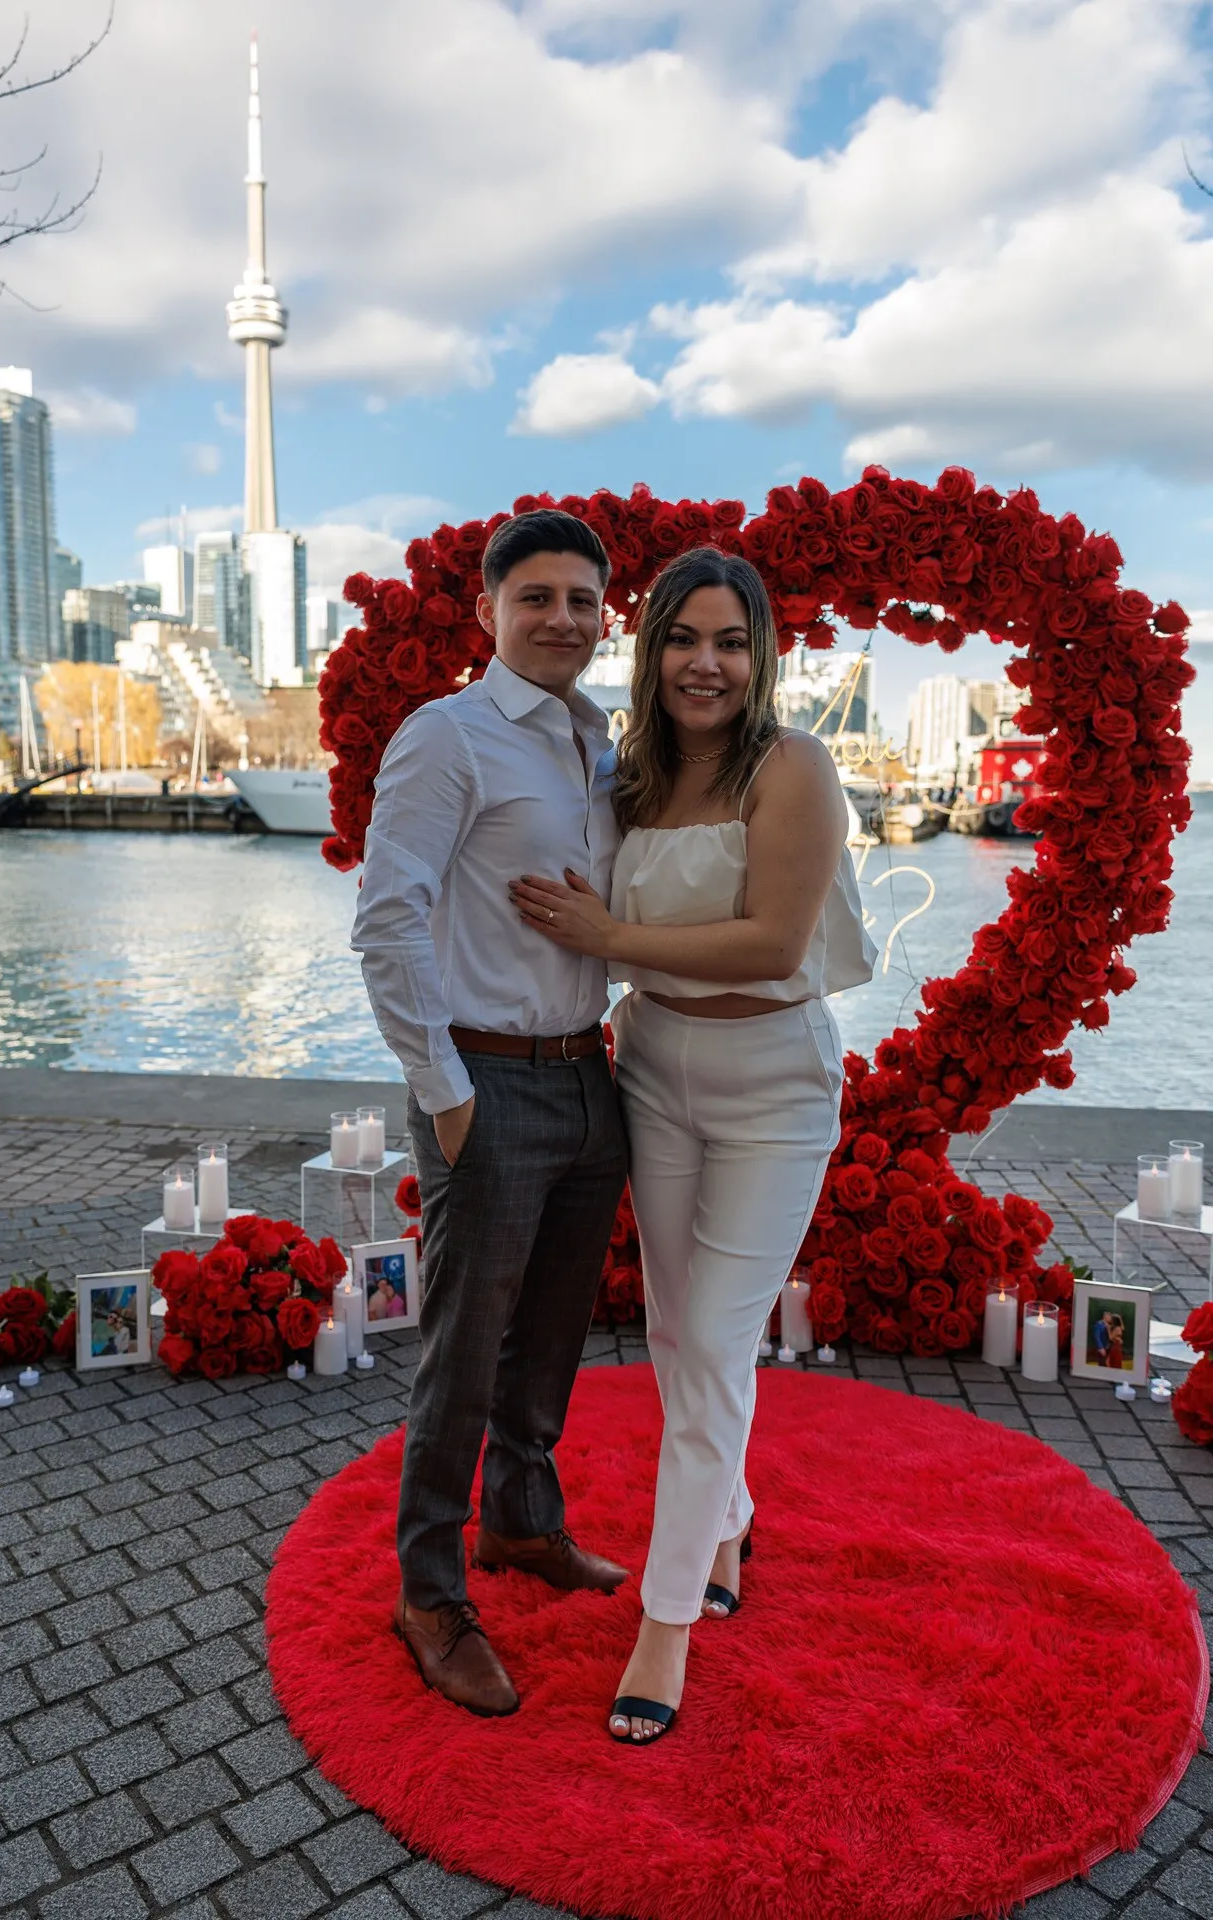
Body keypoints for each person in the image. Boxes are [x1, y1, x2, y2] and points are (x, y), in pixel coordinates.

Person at [510, 545, 876, 1745]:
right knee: (675, 1334)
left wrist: (608, 934)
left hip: (772, 1081)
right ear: (650, 648)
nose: (702, 664)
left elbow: (773, 943)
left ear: (757, 655)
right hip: (654, 1067)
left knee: (715, 1340)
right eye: (680, 639)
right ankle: (726, 1520)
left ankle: (663, 1624)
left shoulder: (792, 766)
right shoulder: (631, 776)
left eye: (727, 641)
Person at [353, 508, 630, 1719]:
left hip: (586, 1074)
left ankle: (521, 1522)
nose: (561, 618)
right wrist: (446, 1095)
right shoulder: (446, 735)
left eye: (581, 600)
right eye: (536, 597)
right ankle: (427, 1593)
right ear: (488, 610)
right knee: (462, 1353)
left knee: (552, 1335)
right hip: (486, 1076)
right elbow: (387, 919)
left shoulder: (596, 743)